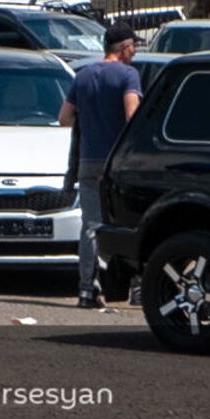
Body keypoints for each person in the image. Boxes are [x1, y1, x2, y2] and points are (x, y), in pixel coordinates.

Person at [59, 23, 141, 309]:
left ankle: (86, 290)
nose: (136, 51)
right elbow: (132, 115)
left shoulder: (82, 76)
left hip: (88, 161)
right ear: (124, 47)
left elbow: (64, 118)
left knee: (90, 227)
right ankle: (137, 288)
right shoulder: (128, 75)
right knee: (129, 224)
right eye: (134, 46)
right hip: (117, 164)